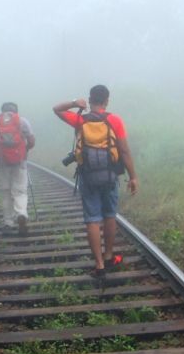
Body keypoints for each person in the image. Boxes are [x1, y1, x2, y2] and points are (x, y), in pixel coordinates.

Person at [52, 84, 139, 276]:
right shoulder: (114, 120)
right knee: (109, 215)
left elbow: (56, 108)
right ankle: (108, 256)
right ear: (107, 101)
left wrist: (75, 102)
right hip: (110, 176)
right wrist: (133, 177)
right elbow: (124, 151)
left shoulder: (80, 120)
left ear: (90, 100)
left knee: (92, 219)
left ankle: (99, 265)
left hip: (88, 177)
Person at [0, 100, 36, 232]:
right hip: (20, 161)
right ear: (16, 111)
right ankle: (21, 214)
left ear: (2, 111)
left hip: (2, 162)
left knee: (6, 192)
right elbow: (32, 141)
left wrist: (0, 151)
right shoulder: (23, 122)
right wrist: (25, 150)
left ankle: (8, 222)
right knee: (20, 191)